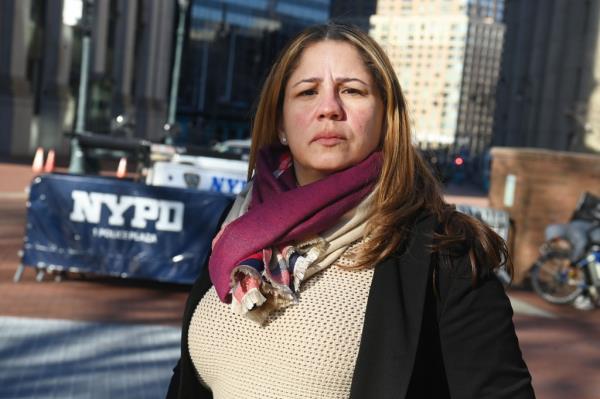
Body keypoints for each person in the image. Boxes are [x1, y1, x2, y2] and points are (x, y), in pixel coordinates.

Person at [167, 23, 535, 399]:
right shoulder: (238, 224)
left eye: (352, 91)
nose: (329, 108)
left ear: (385, 117)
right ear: (280, 121)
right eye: (308, 91)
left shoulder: (444, 250)